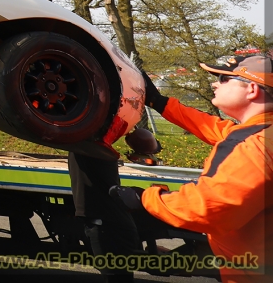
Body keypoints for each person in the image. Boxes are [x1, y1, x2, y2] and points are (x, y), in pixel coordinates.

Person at [111, 55, 273, 282]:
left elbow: (209, 208)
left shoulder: (255, 146)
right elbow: (212, 127)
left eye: (224, 79)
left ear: (253, 89)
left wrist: (145, 199)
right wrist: (159, 102)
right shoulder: (259, 131)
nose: (215, 83)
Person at [68, 151, 142, 283]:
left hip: (107, 225)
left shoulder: (90, 148)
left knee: (115, 277)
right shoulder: (99, 150)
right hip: (110, 223)